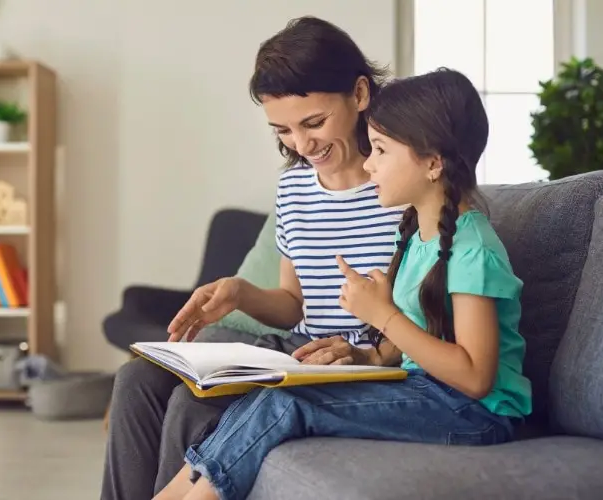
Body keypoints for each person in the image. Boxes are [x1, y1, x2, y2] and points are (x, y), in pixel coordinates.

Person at [153, 67, 534, 500]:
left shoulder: (472, 251)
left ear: (432, 163)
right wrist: (367, 354)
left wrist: (383, 316)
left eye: (381, 151)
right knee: (270, 394)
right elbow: (411, 346)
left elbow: (475, 376)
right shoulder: (415, 234)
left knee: (287, 405)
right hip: (427, 391)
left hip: (474, 415)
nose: (368, 163)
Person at [101, 16, 406, 499]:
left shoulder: (403, 185)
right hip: (297, 349)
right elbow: (293, 303)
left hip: (354, 363)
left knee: (191, 405)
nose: (301, 146)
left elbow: (424, 311)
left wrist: (369, 351)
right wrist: (241, 293)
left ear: (361, 94)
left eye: (314, 123)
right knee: (136, 378)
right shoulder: (294, 187)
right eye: (282, 129)